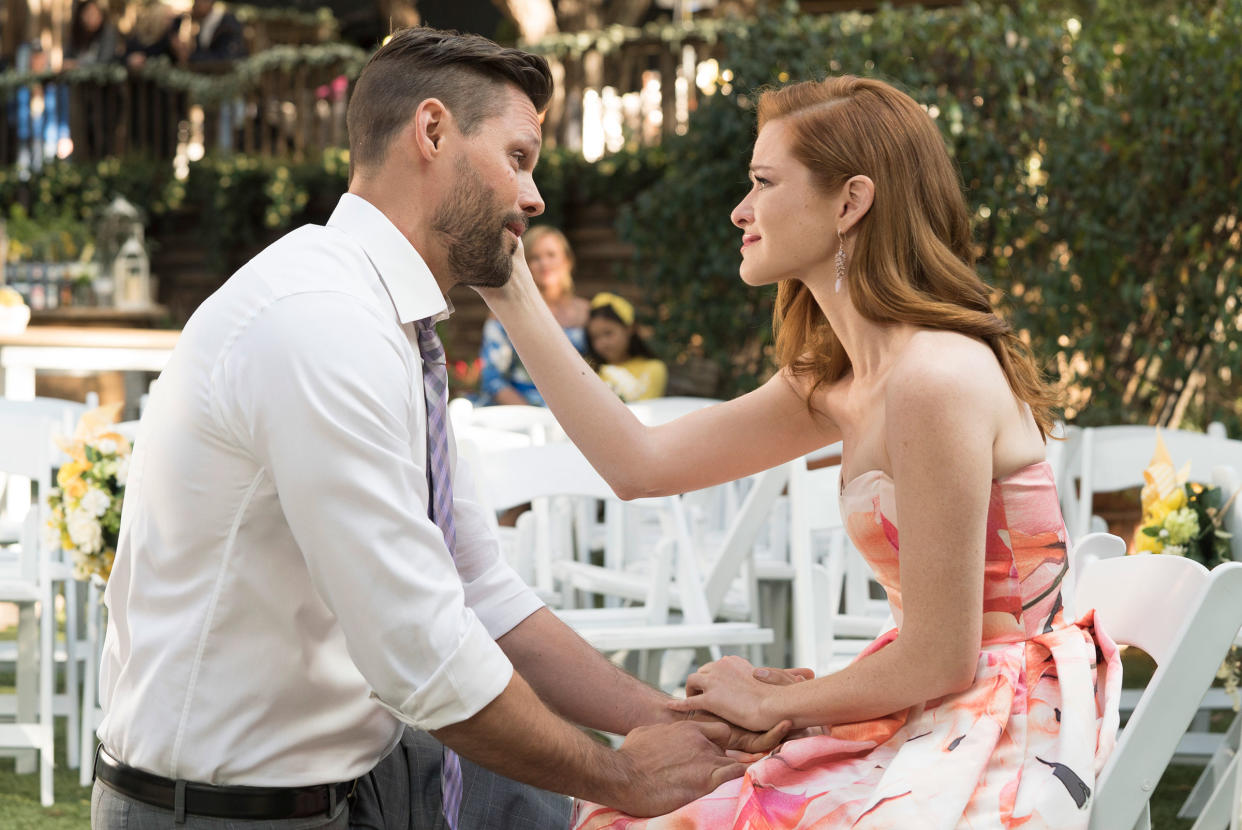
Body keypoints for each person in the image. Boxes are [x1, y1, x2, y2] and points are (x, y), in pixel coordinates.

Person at [93, 27, 790, 830]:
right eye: (520, 159)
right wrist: (621, 776)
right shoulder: (321, 325)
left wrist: (662, 721)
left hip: (355, 782)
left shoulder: (386, 322)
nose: (534, 199)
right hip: (224, 815)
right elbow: (422, 655)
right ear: (432, 132)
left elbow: (480, 593)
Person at [480, 74, 1121, 828]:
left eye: (761, 182)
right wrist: (508, 286)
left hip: (999, 719)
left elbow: (943, 655)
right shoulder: (840, 378)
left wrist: (770, 700)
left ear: (850, 202)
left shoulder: (935, 377)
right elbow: (639, 466)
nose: (739, 210)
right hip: (928, 698)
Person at [476, 225, 588, 405]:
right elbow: (492, 379)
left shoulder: (586, 312)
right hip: (520, 411)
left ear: (567, 260)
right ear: (524, 265)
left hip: (578, 409)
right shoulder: (505, 313)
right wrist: (532, 417)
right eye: (535, 258)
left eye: (551, 255)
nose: (544, 264)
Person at [587, 292, 667, 402]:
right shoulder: (588, 371)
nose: (602, 343)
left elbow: (645, 412)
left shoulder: (653, 369)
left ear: (629, 329)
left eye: (608, 333)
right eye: (595, 337)